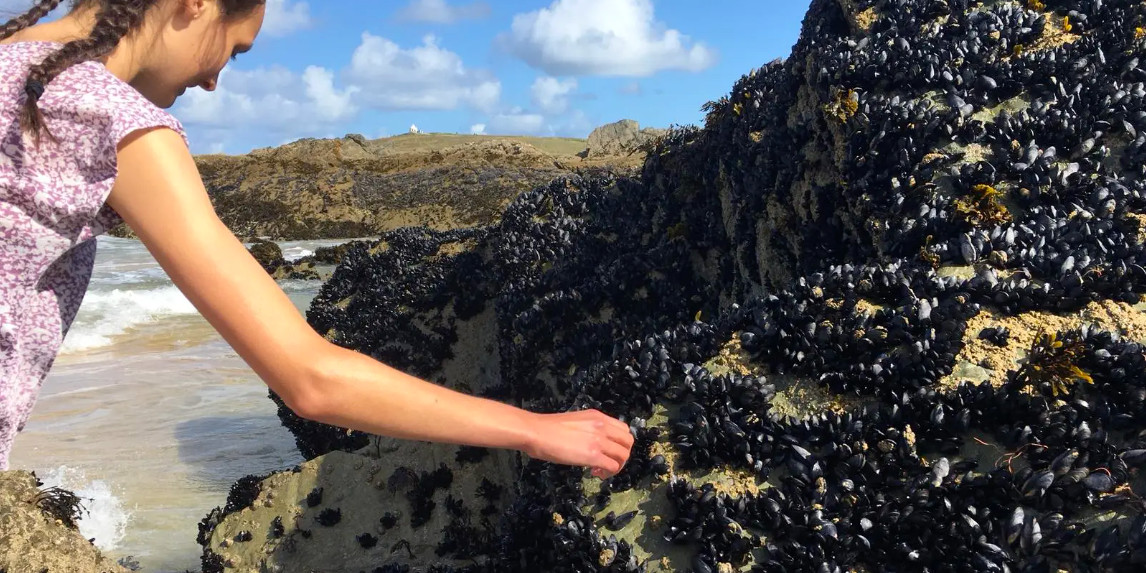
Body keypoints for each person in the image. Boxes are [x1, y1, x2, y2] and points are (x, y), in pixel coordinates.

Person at [0, 0, 633, 479]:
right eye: (235, 48)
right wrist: (533, 430)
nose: (216, 78)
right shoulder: (110, 117)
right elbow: (311, 380)